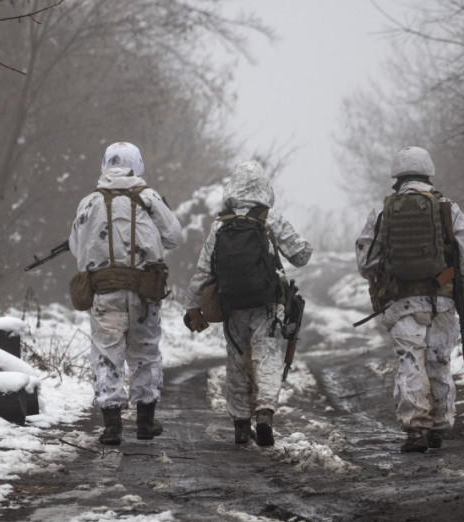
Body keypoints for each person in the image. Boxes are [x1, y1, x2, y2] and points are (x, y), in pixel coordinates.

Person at [183, 160, 312, 446]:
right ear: (264, 187)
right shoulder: (270, 219)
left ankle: (241, 424)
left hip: (231, 304)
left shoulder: (220, 224)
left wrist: (193, 305)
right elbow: (301, 256)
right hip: (267, 303)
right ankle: (265, 413)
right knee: (266, 355)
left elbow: (203, 271)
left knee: (237, 360)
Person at [355, 146, 464, 453]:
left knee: (410, 362)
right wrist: (444, 277)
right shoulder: (448, 207)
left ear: (397, 176)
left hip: (402, 302)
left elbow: (365, 262)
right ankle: (440, 426)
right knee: (439, 361)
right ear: (428, 172)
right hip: (444, 300)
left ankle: (416, 430)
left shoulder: (384, 211)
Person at [69, 142, 182, 446]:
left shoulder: (89, 202)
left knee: (107, 355)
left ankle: (112, 426)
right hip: (145, 293)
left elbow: (74, 247)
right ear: (138, 164)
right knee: (145, 355)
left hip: (105, 294)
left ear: (104, 164)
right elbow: (174, 237)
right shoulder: (150, 198)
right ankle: (145, 423)